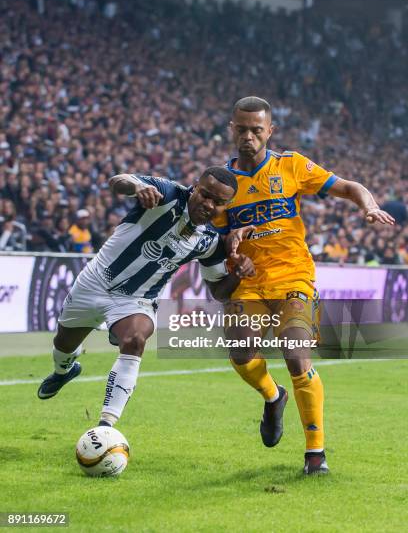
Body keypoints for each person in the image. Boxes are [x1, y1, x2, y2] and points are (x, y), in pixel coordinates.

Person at [212, 96, 395, 475]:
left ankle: (316, 453)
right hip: (249, 282)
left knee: (295, 355)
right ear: (231, 129)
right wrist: (230, 242)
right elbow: (213, 242)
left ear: (270, 131)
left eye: (256, 130)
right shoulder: (221, 184)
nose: (248, 136)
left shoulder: (290, 165)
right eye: (242, 129)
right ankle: (272, 395)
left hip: (294, 275)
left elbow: (347, 186)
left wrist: (368, 205)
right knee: (241, 353)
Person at [37, 167, 255, 430]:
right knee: (63, 345)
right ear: (195, 186)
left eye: (218, 202)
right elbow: (118, 181)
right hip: (94, 283)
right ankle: (64, 371)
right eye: (205, 195)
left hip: (137, 300)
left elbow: (219, 292)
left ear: (226, 206)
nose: (209, 205)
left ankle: (106, 427)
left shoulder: (209, 242)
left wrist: (238, 275)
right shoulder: (168, 193)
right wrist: (136, 187)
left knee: (134, 340)